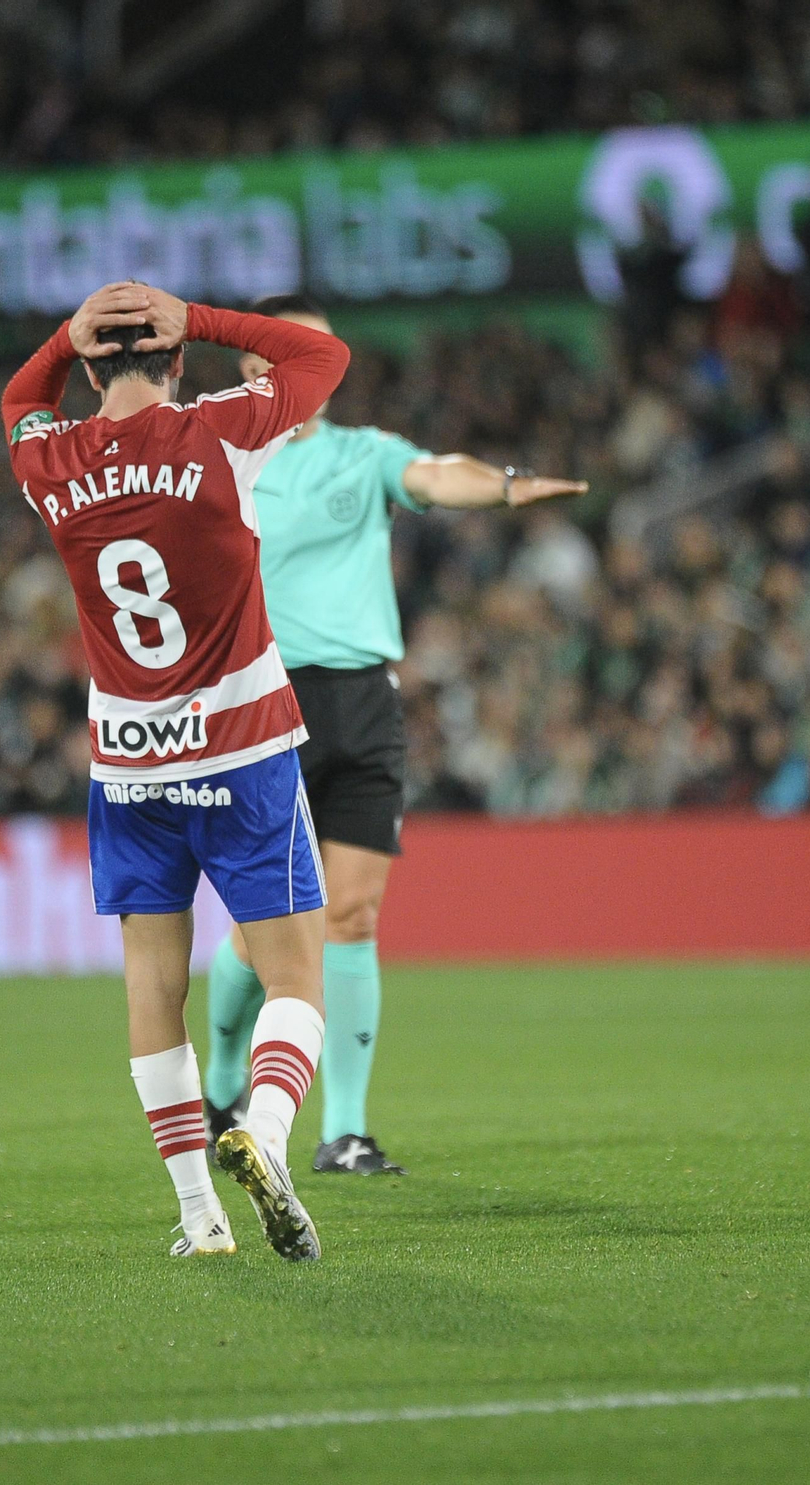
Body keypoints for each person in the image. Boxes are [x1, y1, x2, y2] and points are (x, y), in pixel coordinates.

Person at [2, 281, 351, 1261]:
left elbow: (15, 403)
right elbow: (321, 360)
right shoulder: (220, 432)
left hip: (127, 768)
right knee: (295, 981)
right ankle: (268, 1135)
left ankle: (200, 1216)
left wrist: (59, 339)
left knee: (152, 989)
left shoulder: (50, 460)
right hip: (241, 755)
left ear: (90, 365)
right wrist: (196, 315)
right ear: (173, 362)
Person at [201, 292, 586, 1177]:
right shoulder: (222, 464)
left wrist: (506, 486)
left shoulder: (363, 453)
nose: (318, 370)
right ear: (254, 366)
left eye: (328, 355)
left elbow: (435, 475)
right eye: (296, 353)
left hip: (366, 704)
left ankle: (346, 1131)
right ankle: (222, 1074)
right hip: (265, 704)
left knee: (353, 911)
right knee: (266, 934)